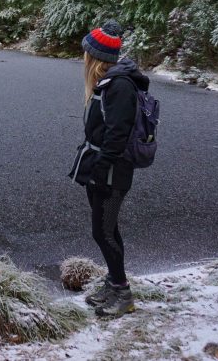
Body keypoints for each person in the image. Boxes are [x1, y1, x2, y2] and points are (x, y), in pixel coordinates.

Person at [68, 20, 149, 317]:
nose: (83, 58)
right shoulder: (110, 81)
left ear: (95, 57)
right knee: (108, 229)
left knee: (103, 232)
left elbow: (117, 134)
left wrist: (100, 172)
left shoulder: (119, 86)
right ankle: (114, 284)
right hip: (104, 167)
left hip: (113, 172)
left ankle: (122, 293)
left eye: (86, 53)